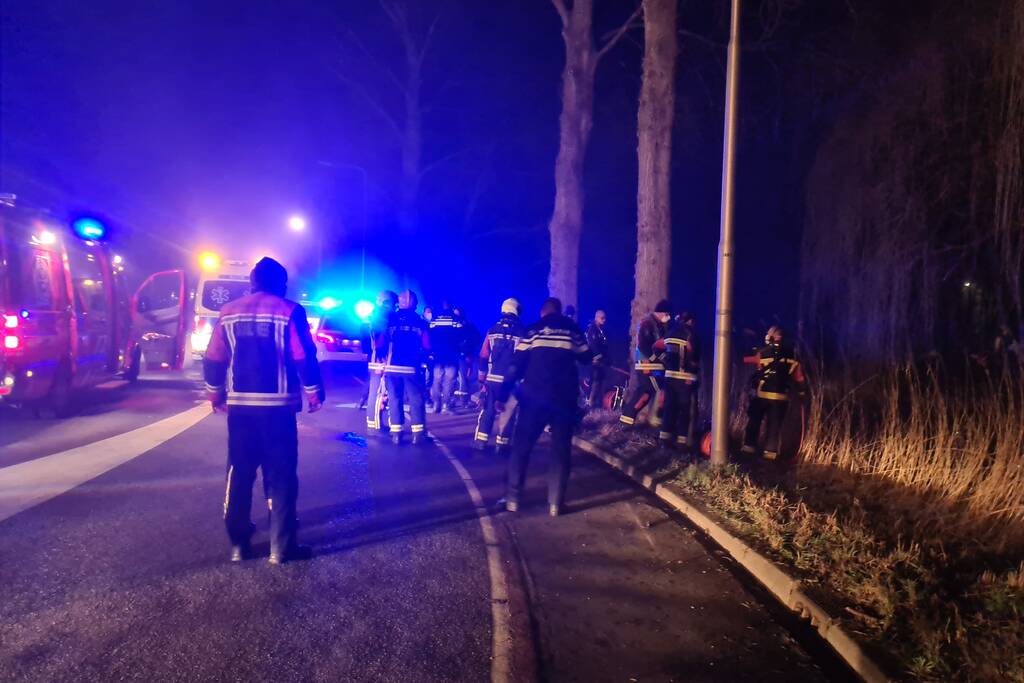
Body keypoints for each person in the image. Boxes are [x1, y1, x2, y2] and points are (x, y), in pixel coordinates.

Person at [204, 257, 324, 565]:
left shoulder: (228, 312)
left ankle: (238, 545)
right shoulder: (289, 310)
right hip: (278, 409)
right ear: (280, 284)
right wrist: (313, 391)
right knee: (281, 475)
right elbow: (303, 354)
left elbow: (214, 357)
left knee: (239, 473)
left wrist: (215, 393)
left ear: (252, 282)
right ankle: (281, 548)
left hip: (241, 408)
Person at [499, 297, 592, 516]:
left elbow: (515, 366)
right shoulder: (572, 330)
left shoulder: (532, 331)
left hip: (533, 397)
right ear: (559, 312)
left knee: (521, 447)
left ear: (543, 313)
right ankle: (555, 504)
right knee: (560, 451)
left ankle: (513, 500)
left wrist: (503, 395)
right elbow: (587, 357)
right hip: (563, 399)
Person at [741, 325, 805, 461]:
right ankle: (770, 456)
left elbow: (747, 360)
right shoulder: (793, 355)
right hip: (781, 397)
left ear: (770, 337)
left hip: (762, 395)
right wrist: (801, 393)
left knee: (754, 421)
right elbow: (799, 378)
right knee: (774, 427)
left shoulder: (762, 353)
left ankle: (748, 449)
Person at [474, 298, 525, 454]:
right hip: (511, 381)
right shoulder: (522, 330)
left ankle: (481, 442)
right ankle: (501, 445)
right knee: (508, 411)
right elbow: (523, 357)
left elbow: (483, 355)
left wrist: (481, 379)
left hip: (492, 380)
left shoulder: (493, 329)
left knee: (487, 410)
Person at [383, 290, 430, 445]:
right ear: (415, 304)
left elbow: (381, 341)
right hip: (412, 368)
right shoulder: (420, 321)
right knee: (416, 399)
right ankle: (418, 435)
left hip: (392, 366)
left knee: (394, 398)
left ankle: (396, 433)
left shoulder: (390, 319)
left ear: (399, 302)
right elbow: (427, 345)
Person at [619, 300, 672, 429]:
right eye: (667, 314)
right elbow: (644, 345)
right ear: (660, 313)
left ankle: (629, 419)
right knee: (648, 391)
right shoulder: (648, 323)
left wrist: (663, 359)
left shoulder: (657, 325)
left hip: (653, 365)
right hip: (646, 365)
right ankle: (631, 419)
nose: (668, 317)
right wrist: (655, 358)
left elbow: (660, 346)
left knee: (647, 393)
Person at [660, 312, 700, 451]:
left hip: (669, 376)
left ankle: (664, 437)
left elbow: (662, 350)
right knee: (684, 410)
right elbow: (693, 356)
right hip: (684, 377)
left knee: (669, 407)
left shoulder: (670, 332)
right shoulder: (690, 334)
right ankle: (682, 441)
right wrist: (692, 375)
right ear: (690, 321)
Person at [365, 290, 398, 436]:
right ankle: (374, 427)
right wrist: (381, 357)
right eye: (393, 303)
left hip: (376, 358)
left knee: (377, 392)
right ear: (386, 303)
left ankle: (374, 425)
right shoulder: (383, 317)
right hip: (381, 359)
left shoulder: (375, 316)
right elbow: (381, 340)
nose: (395, 307)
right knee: (379, 393)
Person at [429, 300, 464, 413]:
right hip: (452, 354)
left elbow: (430, 336)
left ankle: (436, 404)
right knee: (449, 380)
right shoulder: (455, 319)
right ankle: (446, 405)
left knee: (437, 379)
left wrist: (432, 351)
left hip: (438, 355)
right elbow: (461, 336)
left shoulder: (435, 319)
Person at [586, 310, 610, 408]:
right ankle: (590, 402)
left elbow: (604, 345)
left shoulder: (601, 329)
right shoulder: (592, 329)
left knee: (600, 381)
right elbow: (593, 345)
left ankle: (597, 402)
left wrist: (606, 358)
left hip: (601, 361)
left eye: (605, 318)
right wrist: (597, 357)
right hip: (594, 361)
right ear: (596, 318)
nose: (604, 320)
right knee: (595, 381)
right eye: (602, 318)